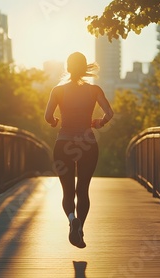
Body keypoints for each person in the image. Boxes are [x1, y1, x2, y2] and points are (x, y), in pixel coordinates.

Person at [44, 52, 114, 248]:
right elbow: (110, 113)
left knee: (67, 192)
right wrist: (100, 122)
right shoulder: (94, 90)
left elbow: (48, 116)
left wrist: (55, 122)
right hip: (88, 145)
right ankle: (80, 229)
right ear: (85, 68)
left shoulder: (57, 90)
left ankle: (72, 219)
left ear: (67, 67)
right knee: (83, 189)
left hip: (63, 144)